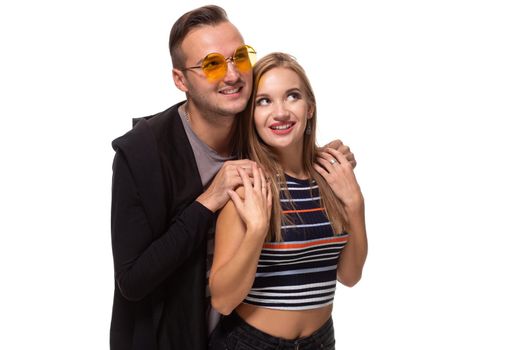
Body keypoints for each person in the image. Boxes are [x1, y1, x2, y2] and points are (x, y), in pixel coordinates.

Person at [110, 5, 356, 350]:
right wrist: (209, 199)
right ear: (180, 80)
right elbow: (132, 281)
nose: (232, 75)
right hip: (173, 337)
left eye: (239, 57)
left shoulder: (252, 119)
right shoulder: (142, 154)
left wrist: (326, 158)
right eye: (211, 64)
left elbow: (290, 143)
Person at [208, 52, 368, 350]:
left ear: (310, 108)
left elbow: (350, 276)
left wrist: (355, 205)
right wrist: (256, 231)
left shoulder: (331, 178)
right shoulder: (249, 187)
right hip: (251, 343)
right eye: (264, 101)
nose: (280, 112)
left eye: (292, 96)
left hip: (320, 341)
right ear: (251, 115)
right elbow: (223, 301)